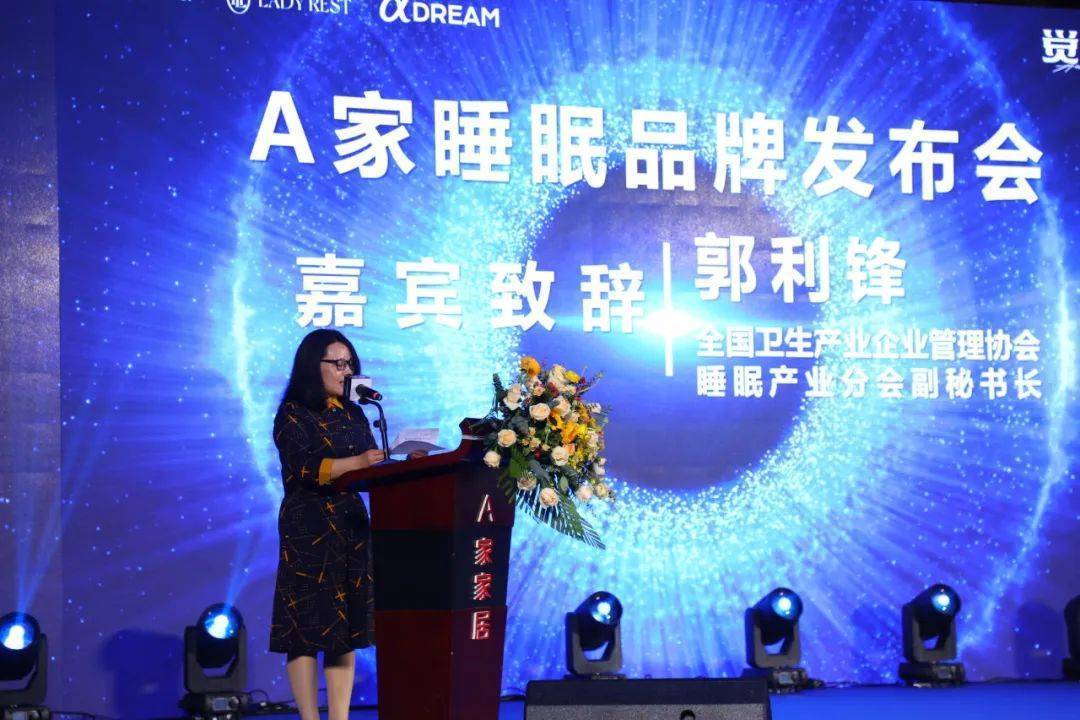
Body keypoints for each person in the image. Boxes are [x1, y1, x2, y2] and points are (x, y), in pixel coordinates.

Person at [269, 329, 385, 720]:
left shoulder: (353, 412)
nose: (346, 371)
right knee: (304, 629)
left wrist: (400, 460)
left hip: (350, 525)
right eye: (337, 363)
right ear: (312, 366)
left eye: (349, 363)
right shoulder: (293, 414)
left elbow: (369, 463)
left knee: (343, 629)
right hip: (309, 526)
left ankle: (339, 716)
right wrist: (358, 463)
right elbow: (304, 468)